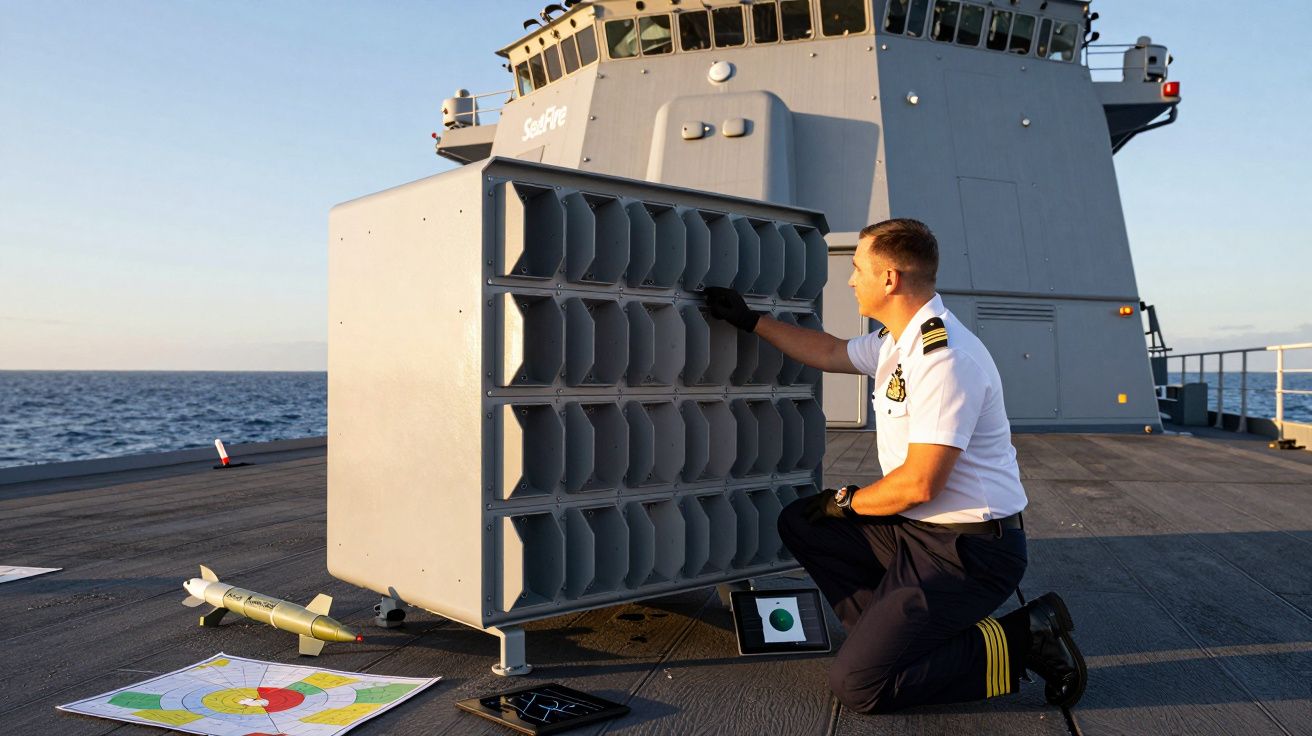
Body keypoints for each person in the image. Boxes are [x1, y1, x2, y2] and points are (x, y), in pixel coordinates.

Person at [704, 218, 1086, 714]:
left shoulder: (944, 360)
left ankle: (1023, 638)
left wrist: (848, 503)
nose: (850, 280)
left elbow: (921, 483)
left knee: (859, 687)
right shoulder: (897, 343)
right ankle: (894, 638)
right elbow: (830, 351)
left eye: (857, 268)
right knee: (803, 522)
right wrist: (751, 321)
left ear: (889, 279)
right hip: (917, 532)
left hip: (969, 551)